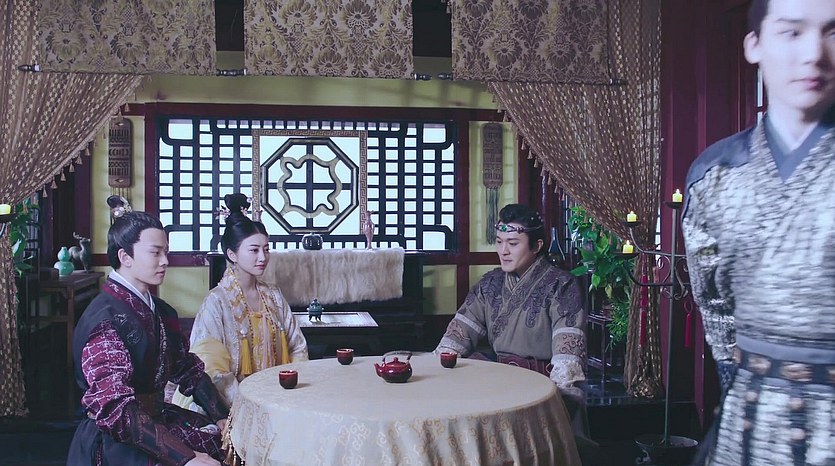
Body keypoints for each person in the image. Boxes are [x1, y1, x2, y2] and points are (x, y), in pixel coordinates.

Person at [682, 0, 835, 464]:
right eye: (792, 32)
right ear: (754, 45)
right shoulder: (713, 175)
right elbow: (715, 310)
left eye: (832, 32)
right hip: (749, 419)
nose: (814, 53)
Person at [67, 209, 228, 466]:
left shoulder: (160, 310)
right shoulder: (104, 320)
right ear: (125, 257)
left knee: (228, 443)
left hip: (155, 420)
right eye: (155, 252)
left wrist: (221, 416)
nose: (165, 261)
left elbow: (187, 369)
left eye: (166, 252)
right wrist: (185, 458)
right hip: (118, 438)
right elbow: (115, 409)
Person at [434, 203, 587, 402]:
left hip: (541, 386)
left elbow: (566, 361)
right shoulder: (490, 284)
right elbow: (457, 337)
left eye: (513, 244)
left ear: (536, 246)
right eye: (499, 242)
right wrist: (437, 368)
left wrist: (556, 395)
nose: (503, 251)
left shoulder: (562, 286)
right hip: (497, 381)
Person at [182, 193, 308, 408]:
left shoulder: (274, 296)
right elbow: (211, 367)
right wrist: (246, 402)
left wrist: (290, 388)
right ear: (232, 254)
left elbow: (297, 347)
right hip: (234, 401)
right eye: (254, 250)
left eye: (266, 250)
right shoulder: (217, 302)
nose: (263, 257)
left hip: (279, 395)